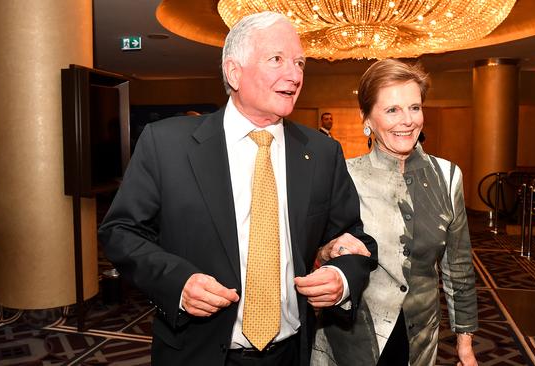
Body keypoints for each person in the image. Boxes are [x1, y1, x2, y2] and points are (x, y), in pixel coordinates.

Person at [98, 11, 377, 366]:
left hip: (292, 353)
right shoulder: (166, 144)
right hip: (196, 352)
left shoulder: (321, 152)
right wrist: (177, 283)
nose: (294, 75)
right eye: (277, 59)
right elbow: (120, 232)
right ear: (234, 71)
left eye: (300, 63)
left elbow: (353, 238)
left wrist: (341, 277)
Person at [311, 59, 478, 366]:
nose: (407, 120)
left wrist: (465, 345)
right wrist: (326, 251)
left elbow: (459, 267)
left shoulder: (448, 176)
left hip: (420, 338)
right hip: (354, 338)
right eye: (392, 110)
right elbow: (313, 256)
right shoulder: (344, 176)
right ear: (367, 119)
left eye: (414, 107)